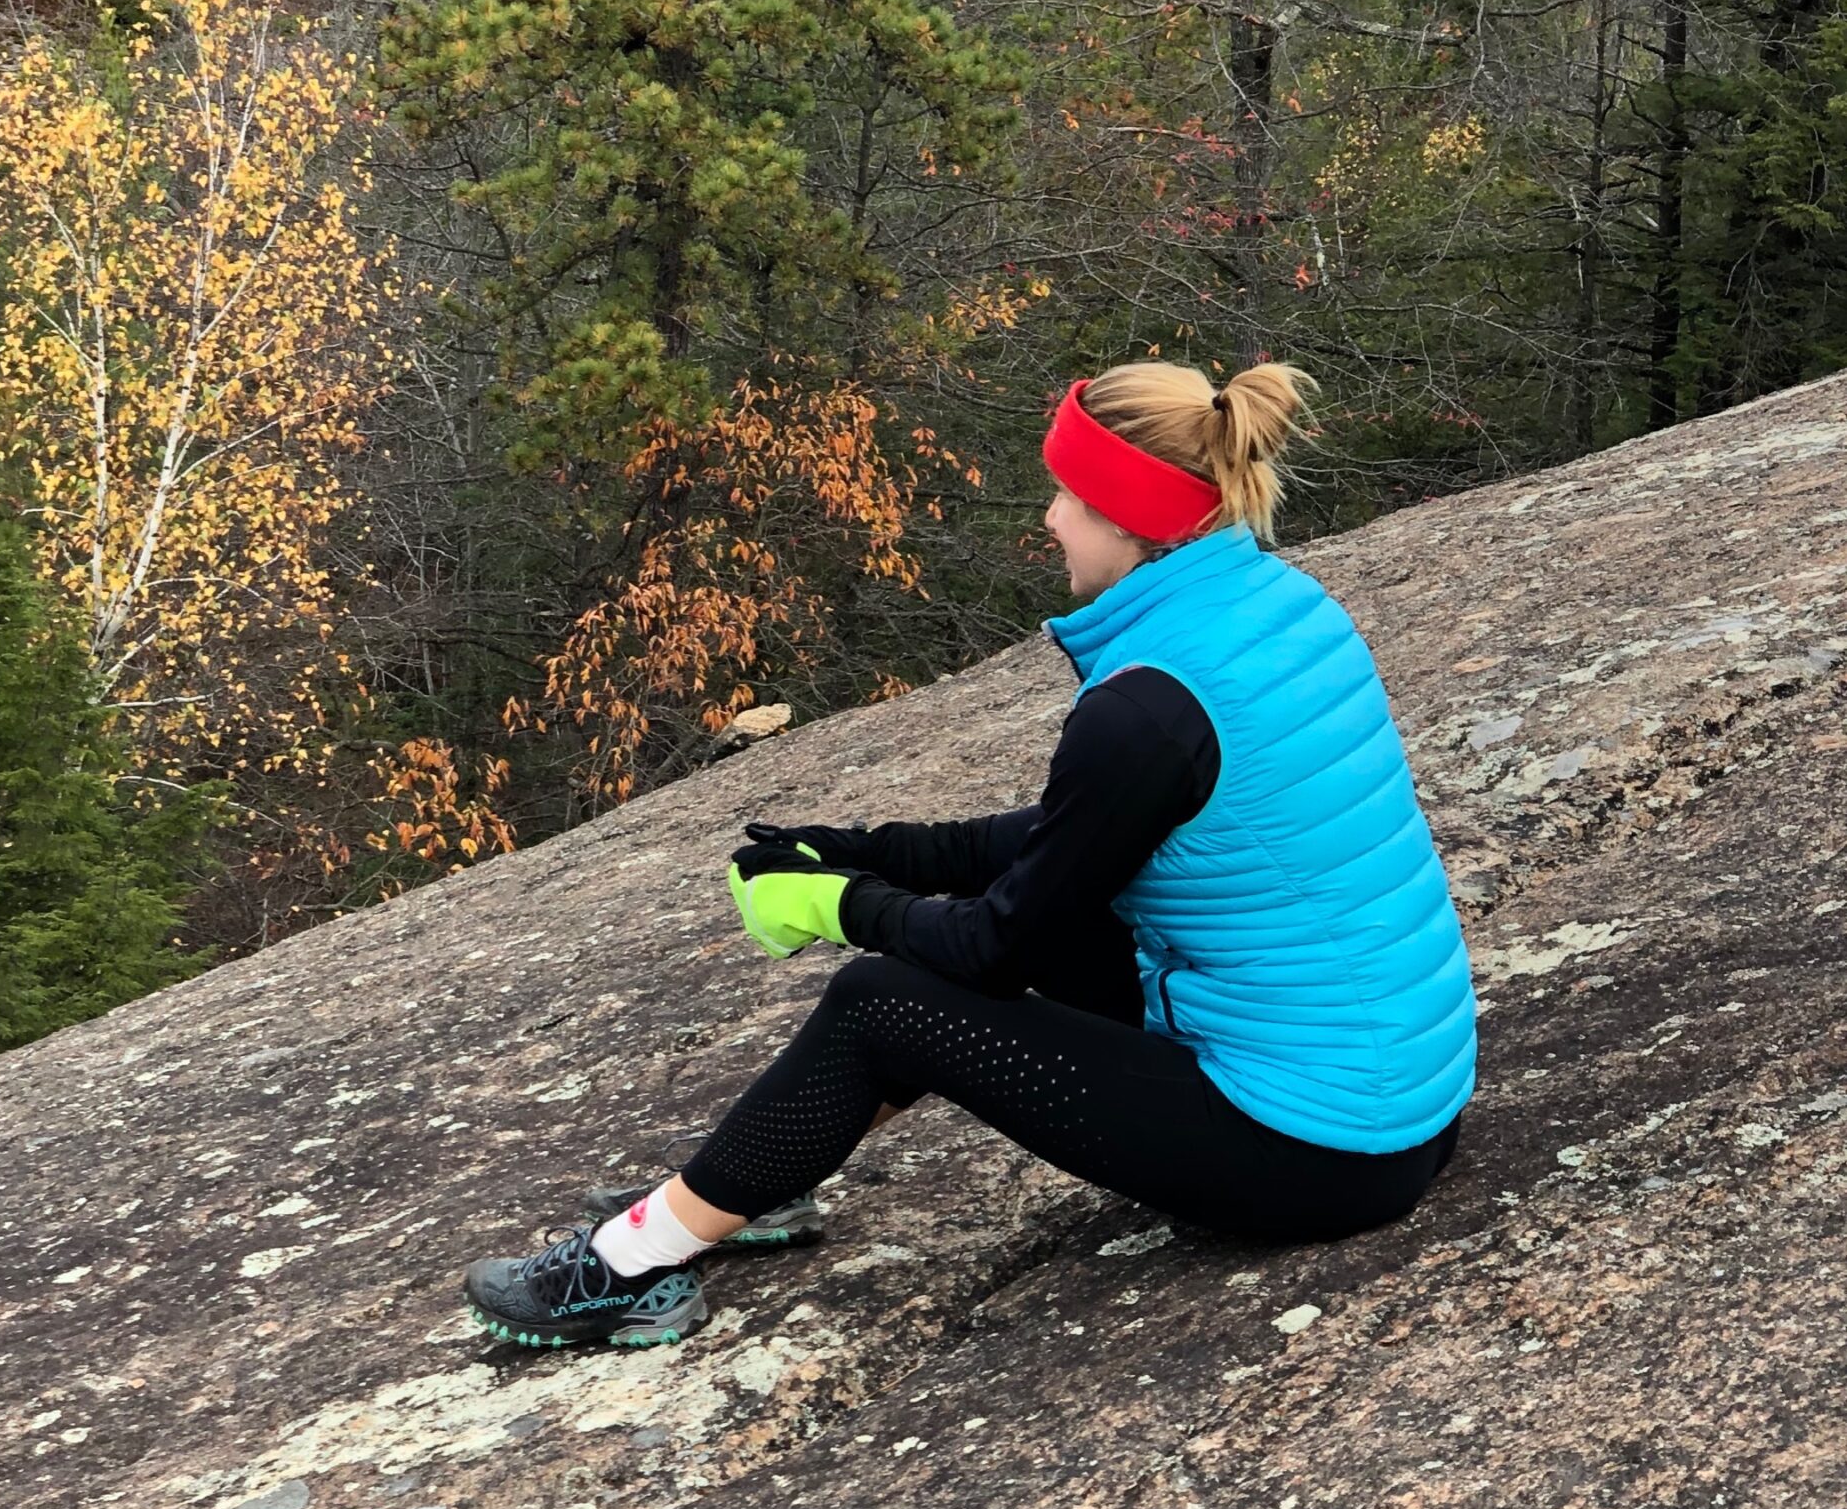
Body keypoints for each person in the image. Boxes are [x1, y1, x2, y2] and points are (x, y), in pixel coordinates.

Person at [461, 359, 1478, 1350]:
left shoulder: (1146, 705)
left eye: (1067, 494)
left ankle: (626, 1265)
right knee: (1044, 923)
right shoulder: (1275, 609)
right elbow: (1069, 846)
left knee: (883, 1003)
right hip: (1404, 1100)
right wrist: (863, 850)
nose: (1048, 518)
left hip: (1321, 1149)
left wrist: (836, 904)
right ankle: (754, 1177)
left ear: (1126, 512)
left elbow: (996, 944)